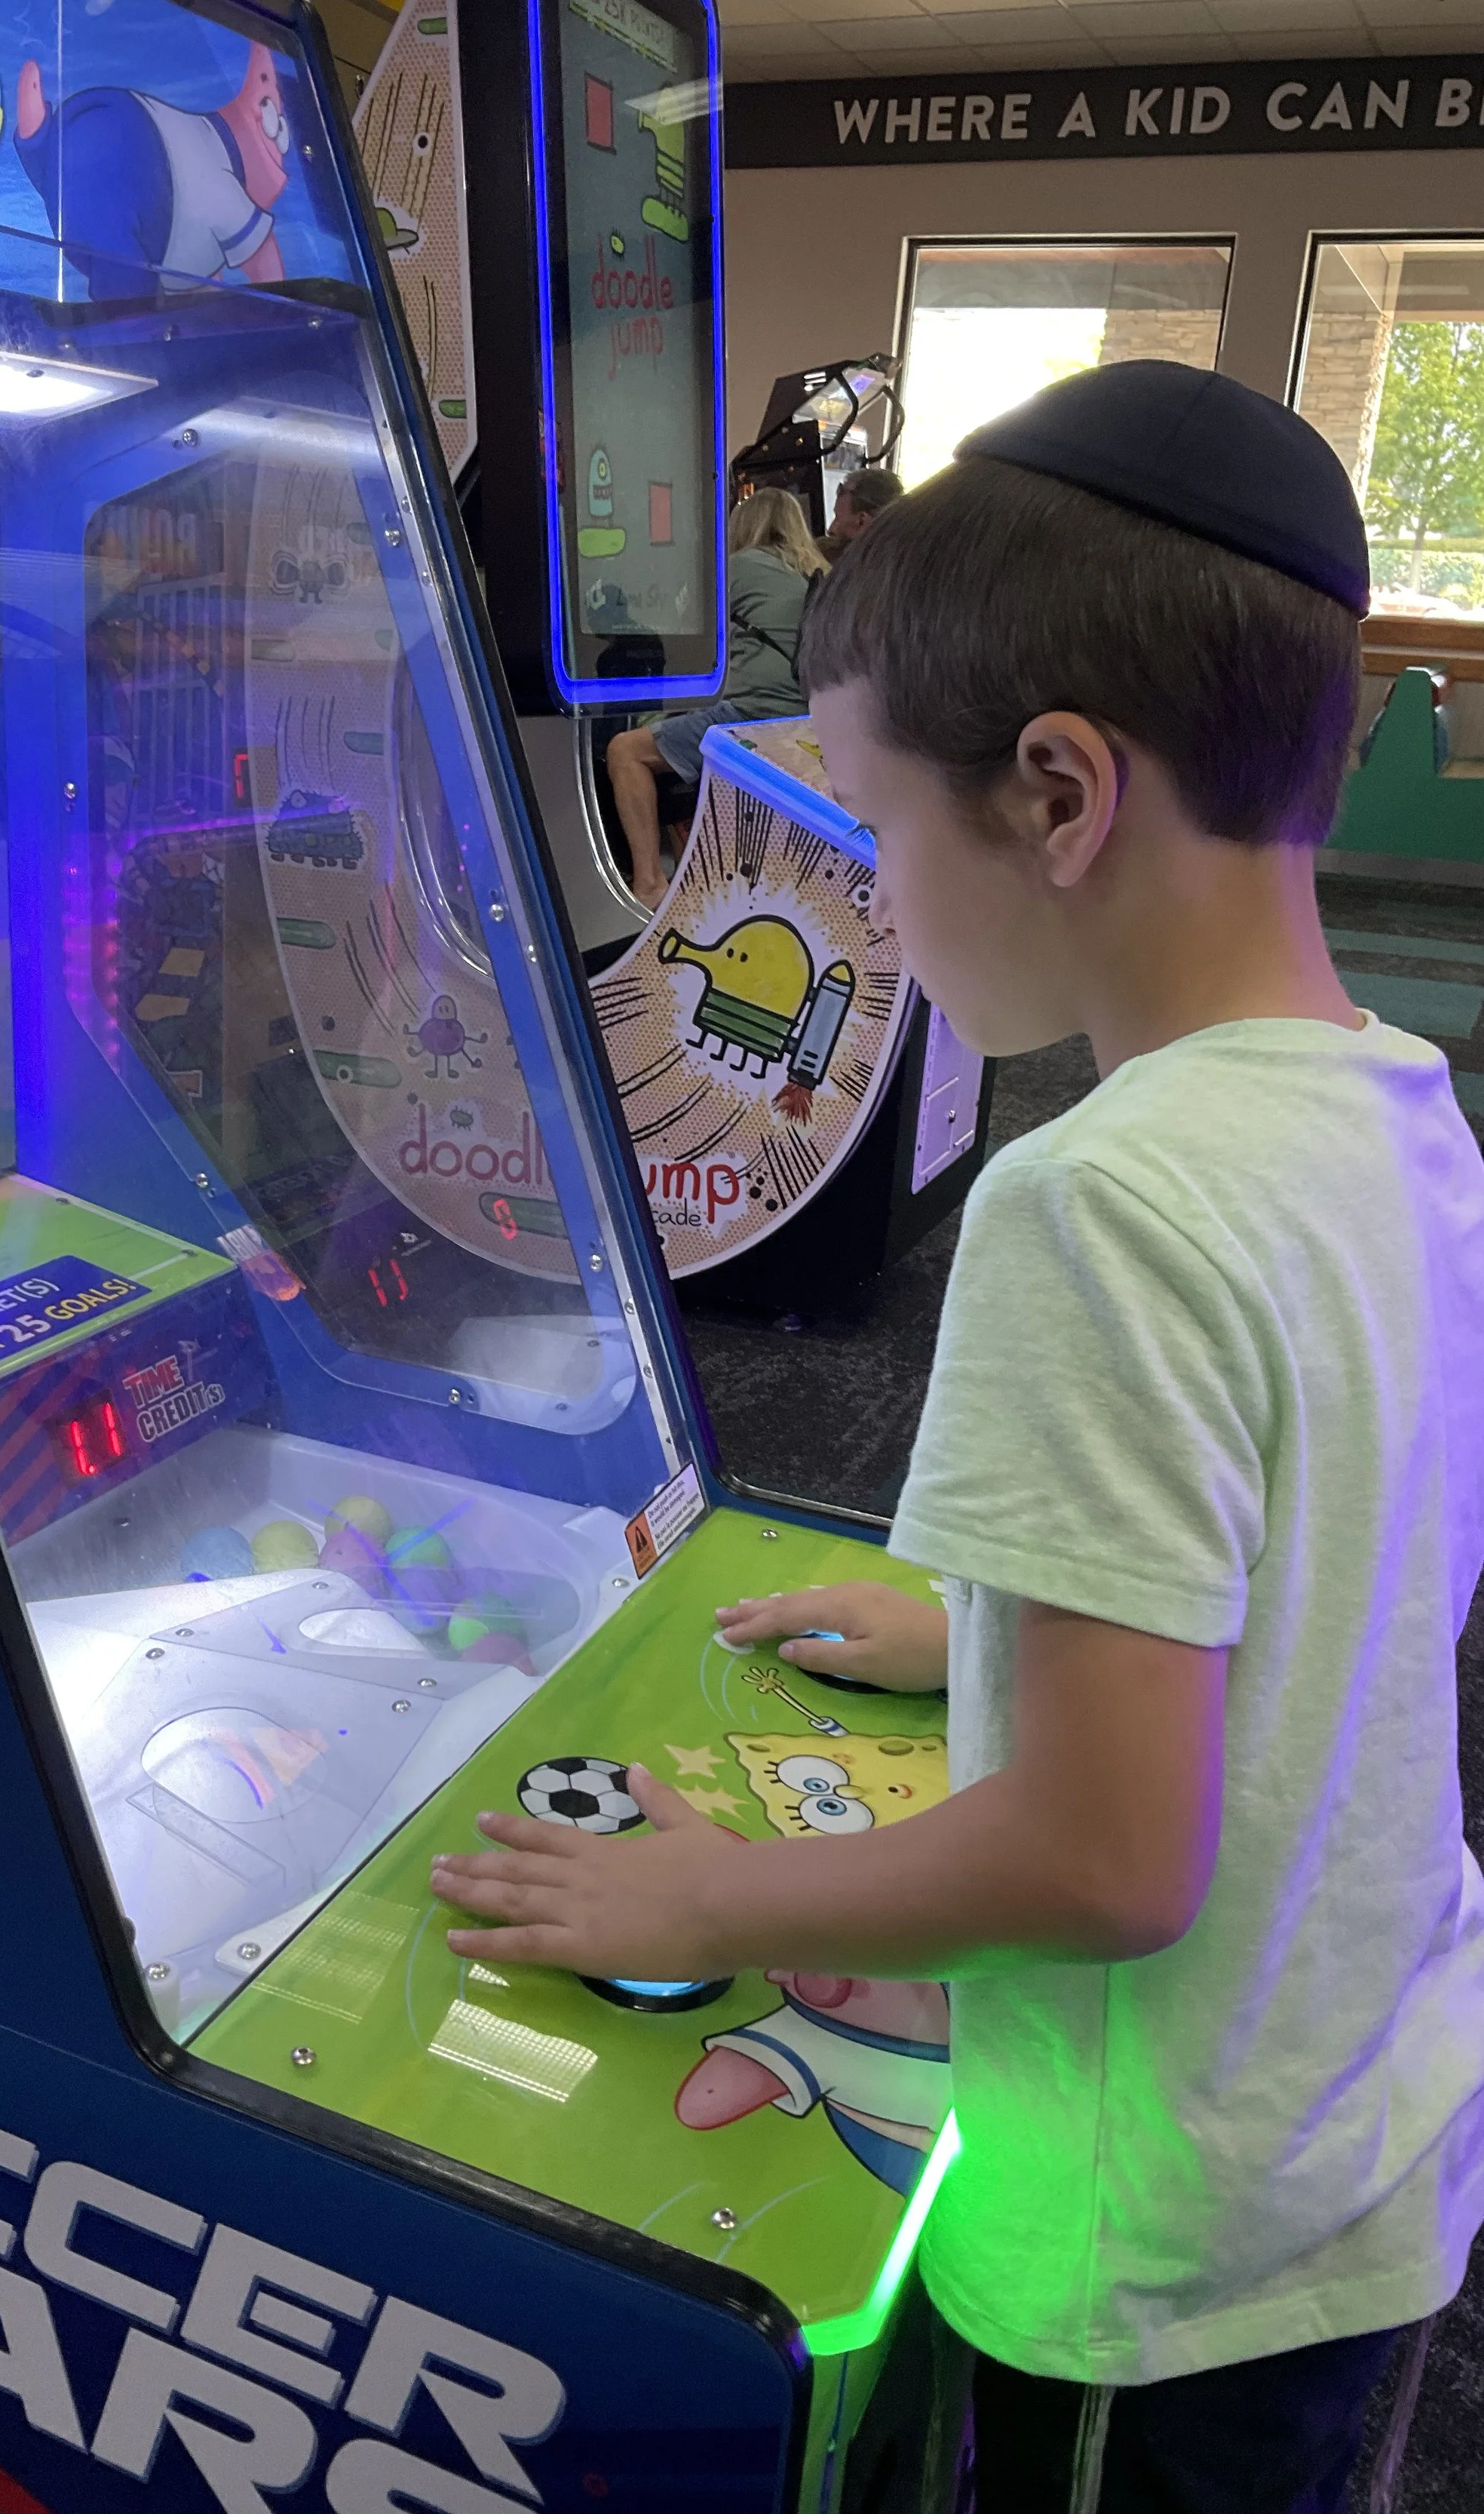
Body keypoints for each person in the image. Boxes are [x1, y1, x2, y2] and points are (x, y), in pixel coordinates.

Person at [432, 361, 1484, 2511]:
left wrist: (712, 1876)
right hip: (1353, 2136)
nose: (872, 908)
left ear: (1054, 793)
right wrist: (989, 1618)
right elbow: (1335, 1536)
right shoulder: (1390, 1100)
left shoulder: (1093, 1197)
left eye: (870, 827)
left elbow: (1105, 1861)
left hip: (1152, 2246)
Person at [605, 485, 827, 910]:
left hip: (755, 713)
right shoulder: (818, 570)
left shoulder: (739, 565)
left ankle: (650, 882)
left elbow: (682, 635)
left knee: (627, 751)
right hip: (808, 720)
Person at [817, 462, 903, 564]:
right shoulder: (902, 563)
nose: (831, 529)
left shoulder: (834, 564)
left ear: (862, 521)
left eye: (837, 519)